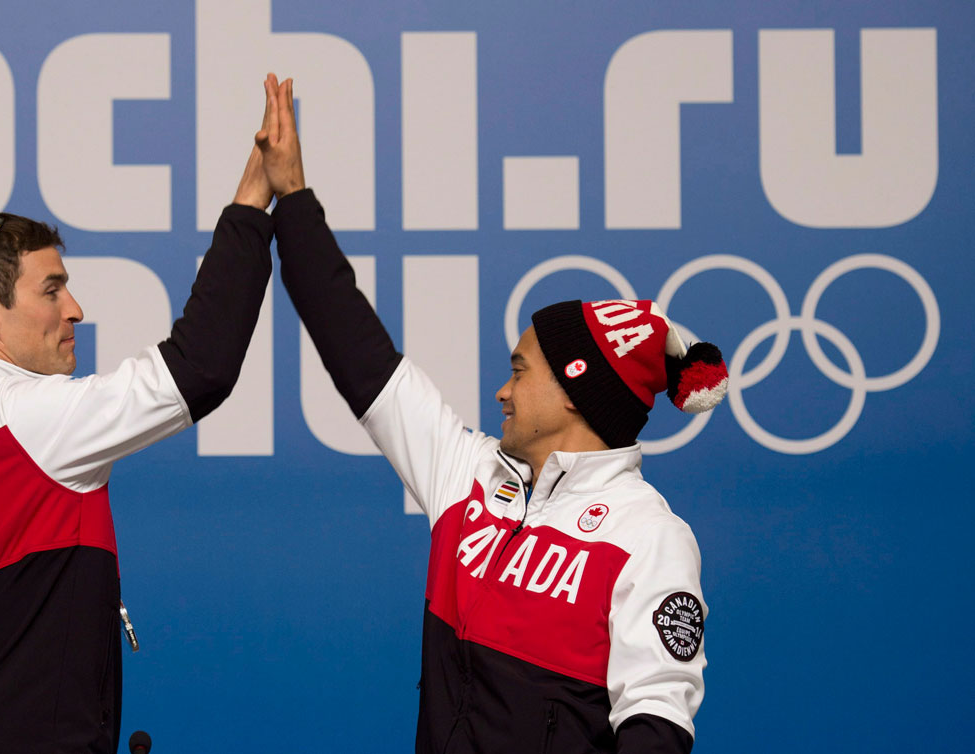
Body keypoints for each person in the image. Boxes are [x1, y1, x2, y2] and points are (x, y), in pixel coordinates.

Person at [256, 75, 728, 753]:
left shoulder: (648, 537)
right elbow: (357, 351)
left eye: (519, 371)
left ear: (576, 391)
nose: (502, 393)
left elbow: (656, 723)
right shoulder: (468, 475)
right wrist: (294, 198)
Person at [0, 95, 278, 753]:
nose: (75, 308)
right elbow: (202, 367)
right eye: (51, 290)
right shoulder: (29, 419)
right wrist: (253, 199)